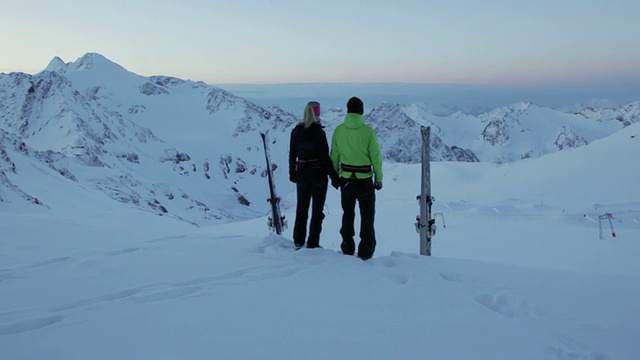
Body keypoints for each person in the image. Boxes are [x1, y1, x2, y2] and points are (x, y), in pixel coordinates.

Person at [330, 96, 383, 260]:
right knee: (367, 215)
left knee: (347, 213)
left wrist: (335, 177)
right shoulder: (368, 132)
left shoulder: (339, 130)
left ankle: (347, 245)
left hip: (346, 179)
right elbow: (376, 157)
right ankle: (366, 250)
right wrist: (378, 179)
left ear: (348, 110)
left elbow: (334, 156)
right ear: (361, 111)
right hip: (365, 179)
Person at [289, 101, 339, 249]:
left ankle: (298, 240)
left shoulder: (296, 131)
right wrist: (334, 178)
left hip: (302, 173)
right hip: (318, 175)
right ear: (317, 114)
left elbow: (292, 155)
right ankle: (313, 242)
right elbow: (325, 158)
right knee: (317, 210)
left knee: (301, 208)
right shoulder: (319, 132)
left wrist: (292, 173)